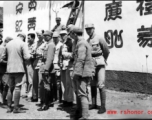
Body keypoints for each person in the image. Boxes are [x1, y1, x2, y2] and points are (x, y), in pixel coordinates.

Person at [1, 33, 32, 113]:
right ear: (23, 37)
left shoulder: (8, 44)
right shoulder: (23, 43)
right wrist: (31, 55)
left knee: (10, 88)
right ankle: (16, 108)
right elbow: (27, 57)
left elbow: (3, 57)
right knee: (18, 87)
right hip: (19, 68)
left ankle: (8, 107)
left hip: (9, 69)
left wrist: (10, 62)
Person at [69, 27, 95, 119]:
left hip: (82, 73)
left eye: (71, 34)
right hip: (83, 72)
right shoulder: (82, 43)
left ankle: (84, 116)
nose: (71, 36)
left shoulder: (81, 44)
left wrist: (76, 74)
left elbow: (81, 59)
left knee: (82, 94)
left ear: (75, 34)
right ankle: (79, 112)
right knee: (80, 93)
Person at [85, 23, 110, 114]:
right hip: (91, 64)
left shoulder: (99, 38)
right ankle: (94, 104)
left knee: (101, 84)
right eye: (86, 29)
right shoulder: (87, 40)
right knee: (92, 84)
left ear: (93, 29)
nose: (88, 31)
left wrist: (103, 59)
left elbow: (106, 50)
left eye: (89, 29)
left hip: (100, 63)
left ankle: (103, 106)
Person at [37, 30, 55, 111]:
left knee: (46, 85)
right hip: (44, 66)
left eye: (45, 36)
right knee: (45, 85)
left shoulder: (51, 45)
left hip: (47, 68)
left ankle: (45, 104)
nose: (44, 37)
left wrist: (46, 69)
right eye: (44, 36)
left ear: (49, 36)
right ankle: (47, 102)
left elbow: (50, 58)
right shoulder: (48, 44)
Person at [59, 30, 74, 107]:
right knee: (63, 83)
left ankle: (70, 100)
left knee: (69, 84)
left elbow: (73, 54)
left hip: (69, 64)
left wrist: (65, 55)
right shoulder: (62, 44)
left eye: (63, 35)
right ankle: (65, 99)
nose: (62, 36)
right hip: (63, 65)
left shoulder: (71, 42)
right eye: (61, 35)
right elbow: (60, 55)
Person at [33, 30, 46, 107]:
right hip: (35, 63)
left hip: (41, 63)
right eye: (37, 35)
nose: (38, 36)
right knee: (35, 81)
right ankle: (35, 96)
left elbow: (45, 53)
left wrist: (40, 54)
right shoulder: (36, 43)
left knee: (40, 82)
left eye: (40, 35)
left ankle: (41, 98)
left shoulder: (45, 43)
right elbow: (33, 51)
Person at [0, 37, 13, 108]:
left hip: (3, 70)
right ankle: (3, 102)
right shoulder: (3, 48)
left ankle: (3, 101)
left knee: (3, 86)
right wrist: (10, 62)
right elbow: (1, 60)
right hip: (3, 70)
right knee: (6, 85)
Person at [25, 33, 36, 102]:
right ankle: (28, 93)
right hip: (26, 64)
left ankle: (30, 95)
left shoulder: (35, 45)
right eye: (27, 38)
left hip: (31, 64)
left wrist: (30, 56)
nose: (28, 39)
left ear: (33, 38)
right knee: (27, 80)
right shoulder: (27, 45)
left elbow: (34, 55)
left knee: (31, 80)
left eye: (29, 38)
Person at [52, 32, 63, 103]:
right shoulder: (52, 44)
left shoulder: (61, 45)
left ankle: (60, 98)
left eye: (56, 37)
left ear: (59, 37)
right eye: (54, 38)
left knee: (59, 82)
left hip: (58, 64)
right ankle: (55, 97)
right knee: (54, 82)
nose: (55, 39)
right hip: (53, 64)